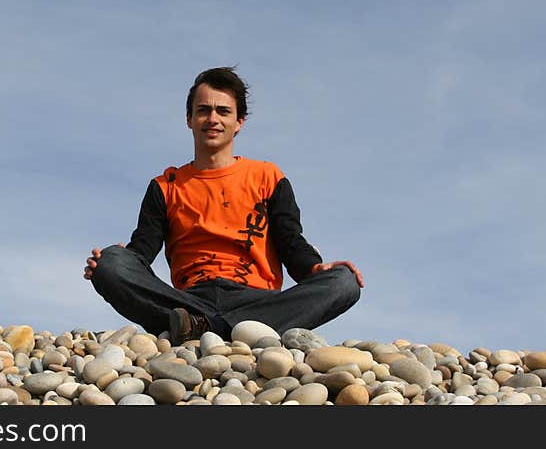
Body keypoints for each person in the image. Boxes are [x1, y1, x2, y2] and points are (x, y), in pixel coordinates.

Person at [84, 66, 364, 345]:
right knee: (110, 263)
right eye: (203, 110)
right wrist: (118, 262)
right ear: (189, 119)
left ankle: (203, 328)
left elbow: (290, 241)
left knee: (344, 282)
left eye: (223, 111)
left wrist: (314, 269)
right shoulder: (165, 185)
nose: (212, 119)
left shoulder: (267, 176)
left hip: (257, 298)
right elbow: (143, 249)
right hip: (190, 297)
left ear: (239, 121)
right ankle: (234, 330)